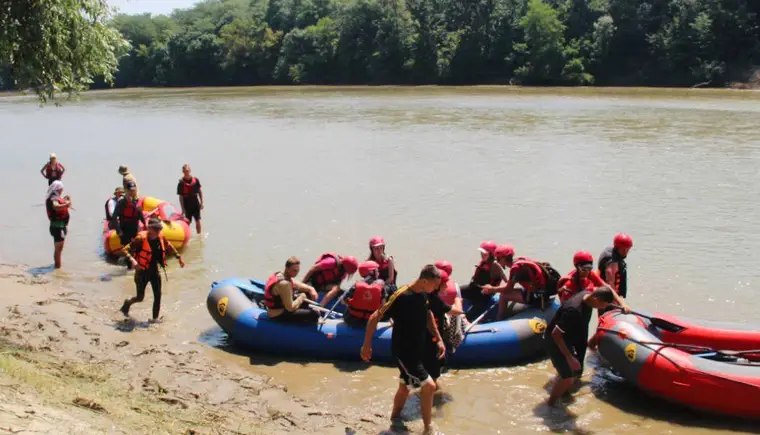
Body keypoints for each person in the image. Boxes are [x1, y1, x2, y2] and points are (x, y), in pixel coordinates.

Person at [361, 265, 444, 434]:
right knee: (429, 386)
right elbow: (374, 316)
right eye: (435, 285)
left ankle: (394, 418)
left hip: (417, 351)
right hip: (404, 352)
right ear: (424, 280)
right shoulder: (401, 296)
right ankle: (428, 429)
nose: (436, 288)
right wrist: (367, 344)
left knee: (405, 386)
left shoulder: (423, 294)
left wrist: (439, 339)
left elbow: (428, 315)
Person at [544, 287, 615, 406]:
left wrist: (622, 306)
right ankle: (550, 404)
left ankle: (564, 391)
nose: (604, 308)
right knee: (568, 377)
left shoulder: (588, 295)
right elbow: (555, 334)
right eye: (604, 305)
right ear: (596, 299)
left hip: (573, 336)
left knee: (577, 370)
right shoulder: (574, 310)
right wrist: (569, 357)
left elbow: (605, 287)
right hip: (556, 340)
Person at [120, 218, 185, 321]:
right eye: (156, 229)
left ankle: (155, 320)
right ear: (149, 229)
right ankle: (127, 303)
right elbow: (125, 250)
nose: (158, 231)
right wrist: (133, 261)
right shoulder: (140, 239)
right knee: (140, 298)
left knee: (158, 296)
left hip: (154, 271)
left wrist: (178, 257)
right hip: (141, 272)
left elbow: (169, 246)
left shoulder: (160, 237)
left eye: (159, 229)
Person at [483, 256, 561, 320]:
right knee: (512, 290)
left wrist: (492, 289)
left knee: (504, 295)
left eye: (498, 259)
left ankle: (499, 320)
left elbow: (508, 289)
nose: (497, 262)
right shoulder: (521, 260)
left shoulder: (516, 268)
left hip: (536, 297)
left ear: (503, 259)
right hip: (541, 293)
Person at [425, 270, 465, 387]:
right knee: (433, 372)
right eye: (445, 284)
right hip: (432, 340)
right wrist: (458, 299)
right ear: (437, 285)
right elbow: (457, 311)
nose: (447, 286)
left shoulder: (426, 296)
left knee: (431, 371)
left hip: (427, 338)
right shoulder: (435, 300)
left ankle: (431, 388)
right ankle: (432, 391)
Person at [263, 256, 321, 323]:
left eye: (298, 270)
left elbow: (295, 283)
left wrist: (311, 289)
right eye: (294, 270)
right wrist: (301, 297)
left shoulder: (280, 274)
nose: (296, 273)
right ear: (287, 268)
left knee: (307, 295)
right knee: (315, 314)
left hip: (283, 307)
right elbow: (290, 308)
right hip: (278, 314)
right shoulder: (284, 284)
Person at [459, 240, 502, 321]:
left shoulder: (495, 266)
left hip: (485, 294)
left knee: (471, 314)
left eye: (485, 253)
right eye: (481, 253)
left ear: (491, 254)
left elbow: (503, 279)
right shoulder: (484, 262)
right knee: (457, 290)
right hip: (474, 288)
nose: (482, 255)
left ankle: (466, 320)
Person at [598, 233, 633, 314]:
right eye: (623, 249)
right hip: (608, 300)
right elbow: (610, 286)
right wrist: (621, 304)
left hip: (605, 296)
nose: (626, 252)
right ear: (617, 248)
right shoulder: (612, 264)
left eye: (627, 249)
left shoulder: (609, 251)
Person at [344, 260, 385, 328]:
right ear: (372, 272)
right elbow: (383, 306)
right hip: (370, 322)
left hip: (352, 321)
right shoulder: (381, 287)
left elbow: (345, 300)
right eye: (377, 270)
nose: (378, 273)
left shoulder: (356, 285)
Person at [111, 182, 144, 256]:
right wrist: (119, 231)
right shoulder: (121, 202)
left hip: (134, 228)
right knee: (128, 250)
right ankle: (129, 266)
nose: (132, 192)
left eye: (134, 190)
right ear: (126, 190)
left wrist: (145, 225)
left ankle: (135, 265)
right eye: (130, 190)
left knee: (137, 250)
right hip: (124, 230)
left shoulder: (137, 201)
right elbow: (114, 217)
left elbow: (140, 215)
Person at [45, 180, 71, 269]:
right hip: (57, 227)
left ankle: (56, 266)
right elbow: (55, 206)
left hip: (60, 226)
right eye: (61, 189)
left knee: (58, 249)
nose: (61, 191)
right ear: (58, 189)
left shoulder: (55, 197)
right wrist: (66, 205)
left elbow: (59, 202)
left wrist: (66, 200)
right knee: (58, 249)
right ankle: (58, 268)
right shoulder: (53, 198)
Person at [176, 164, 204, 235]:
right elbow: (181, 197)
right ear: (183, 172)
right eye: (185, 171)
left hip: (195, 202)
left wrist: (202, 202)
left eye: (187, 171)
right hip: (187, 204)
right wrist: (182, 209)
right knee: (187, 222)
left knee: (198, 220)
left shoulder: (196, 180)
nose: (186, 172)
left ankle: (199, 236)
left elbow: (199, 191)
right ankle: (187, 236)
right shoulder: (181, 183)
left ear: (190, 170)